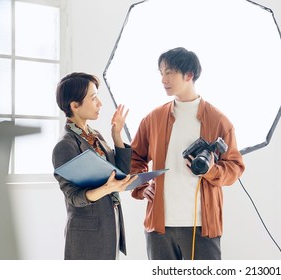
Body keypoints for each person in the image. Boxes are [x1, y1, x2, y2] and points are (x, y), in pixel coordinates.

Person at [130, 47, 245, 260]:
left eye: (169, 72)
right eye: (161, 73)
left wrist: (211, 170)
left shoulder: (218, 120)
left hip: (202, 225)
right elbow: (135, 157)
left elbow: (235, 167)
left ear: (189, 75)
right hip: (159, 226)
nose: (163, 79)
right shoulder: (153, 119)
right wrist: (142, 187)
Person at [52, 72, 136, 260]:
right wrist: (107, 188)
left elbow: (120, 173)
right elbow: (73, 196)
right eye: (93, 97)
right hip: (87, 236)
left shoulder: (95, 135)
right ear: (74, 106)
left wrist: (116, 134)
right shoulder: (65, 145)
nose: (100, 103)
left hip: (109, 226)